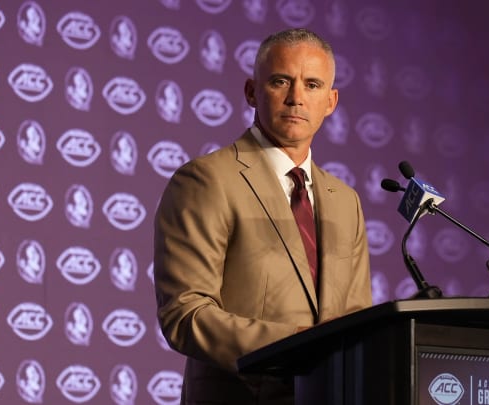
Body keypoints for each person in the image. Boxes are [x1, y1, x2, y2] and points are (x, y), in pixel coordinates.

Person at [153, 28, 372, 404]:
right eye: (280, 81)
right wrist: (298, 347)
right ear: (252, 92)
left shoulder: (344, 201)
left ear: (331, 101)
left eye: (313, 85)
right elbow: (186, 314)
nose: (296, 98)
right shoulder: (206, 180)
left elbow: (355, 323)